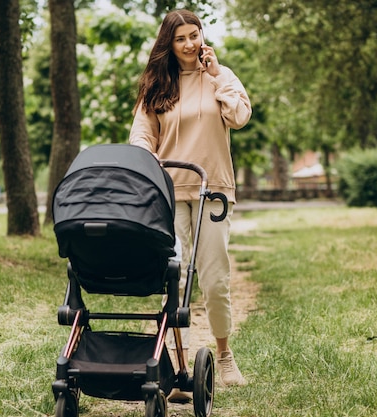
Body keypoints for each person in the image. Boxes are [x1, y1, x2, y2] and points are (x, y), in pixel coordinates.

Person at [128, 9, 252, 400]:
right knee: (175, 282)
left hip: (211, 189)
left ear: (202, 36)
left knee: (215, 280)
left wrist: (216, 77)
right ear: (170, 42)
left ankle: (225, 354)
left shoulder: (221, 75)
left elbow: (240, 117)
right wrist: (146, 170)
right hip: (169, 192)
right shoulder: (157, 85)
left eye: (194, 35)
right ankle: (179, 369)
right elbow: (142, 137)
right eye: (180, 38)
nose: (189, 44)